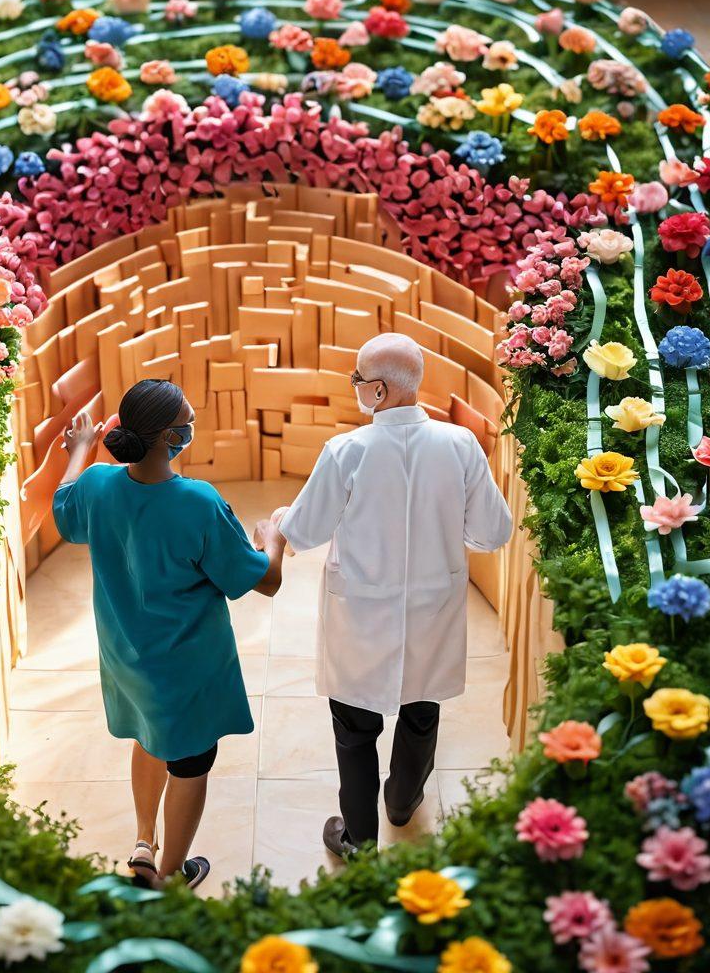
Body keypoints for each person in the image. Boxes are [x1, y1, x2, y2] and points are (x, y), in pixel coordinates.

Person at [274, 333, 512, 856]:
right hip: (434, 611)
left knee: (355, 730)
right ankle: (403, 803)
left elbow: (305, 532)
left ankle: (359, 842)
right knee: (422, 710)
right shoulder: (460, 444)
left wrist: (277, 523)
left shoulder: (347, 450)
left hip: (360, 618)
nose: (355, 387)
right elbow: (494, 532)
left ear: (379, 391)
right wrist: (454, 539)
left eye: (359, 379)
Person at [52, 379, 285, 890]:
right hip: (187, 669)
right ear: (166, 438)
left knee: (149, 735)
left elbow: (64, 507)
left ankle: (143, 839)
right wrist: (273, 539)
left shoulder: (97, 487)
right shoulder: (197, 502)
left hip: (126, 658)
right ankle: (171, 876)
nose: (192, 424)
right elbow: (264, 582)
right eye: (187, 418)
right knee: (191, 761)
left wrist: (81, 450)